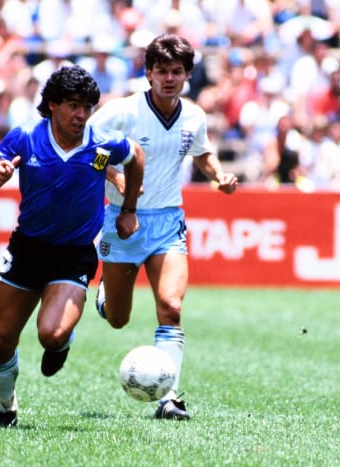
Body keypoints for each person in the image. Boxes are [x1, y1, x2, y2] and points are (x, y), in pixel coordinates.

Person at [0, 65, 144, 428]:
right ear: (52, 105)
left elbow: (134, 158)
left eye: (87, 106)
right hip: (28, 249)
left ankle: (62, 342)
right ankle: (5, 407)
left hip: (73, 254)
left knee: (51, 334)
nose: (81, 115)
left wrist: (128, 209)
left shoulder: (100, 141)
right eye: (72, 105)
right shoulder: (25, 137)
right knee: (1, 339)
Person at [88, 34, 238, 421]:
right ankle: (106, 297)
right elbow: (92, 155)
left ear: (187, 74)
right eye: (161, 71)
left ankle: (168, 398)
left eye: (176, 71)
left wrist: (219, 176)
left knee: (170, 307)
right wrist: (118, 181)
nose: (169, 78)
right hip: (123, 222)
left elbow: (203, 154)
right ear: (148, 73)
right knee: (118, 319)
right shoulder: (121, 113)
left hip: (168, 222)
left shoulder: (193, 116)